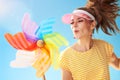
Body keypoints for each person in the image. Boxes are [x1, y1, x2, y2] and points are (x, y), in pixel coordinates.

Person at [59, 0, 120, 80]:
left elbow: (118, 64)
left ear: (92, 24)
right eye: (72, 22)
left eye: (80, 20)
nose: (74, 25)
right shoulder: (66, 56)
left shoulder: (103, 46)